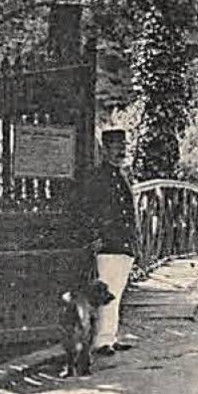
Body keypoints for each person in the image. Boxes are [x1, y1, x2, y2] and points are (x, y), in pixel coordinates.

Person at [79, 128, 137, 355]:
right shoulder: (97, 178)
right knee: (106, 292)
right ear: (104, 150)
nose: (120, 151)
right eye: (115, 147)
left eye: (123, 147)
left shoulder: (122, 176)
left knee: (117, 293)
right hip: (107, 244)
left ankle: (110, 337)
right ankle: (101, 341)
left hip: (123, 245)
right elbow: (88, 210)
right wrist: (95, 236)